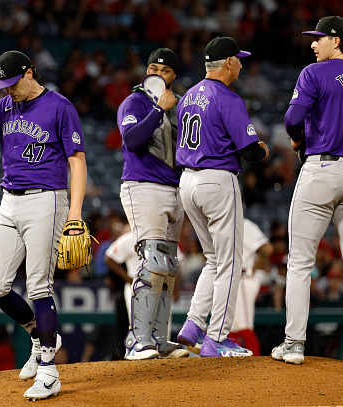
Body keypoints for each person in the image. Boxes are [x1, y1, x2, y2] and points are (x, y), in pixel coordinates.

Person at [0, 50, 87, 400]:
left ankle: (49, 370)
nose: (8, 90)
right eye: (2, 84)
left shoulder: (60, 106)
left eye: (12, 82)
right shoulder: (3, 106)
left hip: (46, 199)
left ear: (30, 72)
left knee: (39, 286)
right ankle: (39, 335)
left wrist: (74, 213)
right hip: (9, 201)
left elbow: (77, 163)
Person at [271, 16, 343, 369]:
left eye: (318, 38)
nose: (312, 44)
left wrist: (299, 139)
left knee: (301, 261)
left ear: (336, 41)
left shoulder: (314, 72)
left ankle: (293, 343)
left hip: (321, 169)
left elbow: (292, 119)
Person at [175, 37, 269, 357]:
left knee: (213, 259)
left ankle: (192, 324)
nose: (241, 64)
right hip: (217, 180)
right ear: (227, 62)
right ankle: (216, 337)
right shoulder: (228, 97)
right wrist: (261, 151)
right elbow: (249, 150)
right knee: (231, 263)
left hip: (187, 183)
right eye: (238, 59)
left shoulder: (188, 96)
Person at [116, 48, 188, 360]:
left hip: (175, 189)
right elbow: (132, 139)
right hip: (143, 185)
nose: (158, 73)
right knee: (153, 261)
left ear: (174, 76)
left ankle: (159, 338)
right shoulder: (134, 102)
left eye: (166, 70)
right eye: (153, 67)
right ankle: (137, 341)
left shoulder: (182, 106)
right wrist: (159, 109)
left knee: (169, 265)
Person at [228, 219, 273, 356]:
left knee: (244, 326)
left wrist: (256, 266)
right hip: (232, 278)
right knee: (231, 327)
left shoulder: (244, 224)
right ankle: (234, 366)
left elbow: (267, 248)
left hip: (244, 278)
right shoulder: (226, 224)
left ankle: (255, 368)